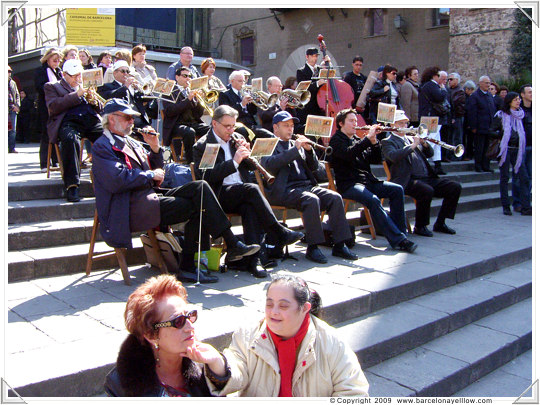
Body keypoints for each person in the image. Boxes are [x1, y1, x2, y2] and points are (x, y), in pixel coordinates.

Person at [92, 99, 260, 283]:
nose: (132, 122)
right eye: (127, 117)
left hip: (148, 196)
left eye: (132, 118)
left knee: (200, 188)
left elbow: (158, 172)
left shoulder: (131, 142)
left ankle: (212, 254)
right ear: (111, 119)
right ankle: (204, 257)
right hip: (128, 206)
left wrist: (155, 149)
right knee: (199, 203)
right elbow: (117, 180)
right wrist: (149, 174)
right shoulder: (102, 145)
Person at [200, 274, 370, 396]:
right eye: (269, 304)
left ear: (304, 308)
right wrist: (219, 364)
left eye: (283, 306)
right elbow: (237, 367)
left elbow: (354, 392)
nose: (273, 312)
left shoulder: (332, 343)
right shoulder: (247, 335)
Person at [192, 105, 304, 278]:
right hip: (218, 195)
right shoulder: (203, 145)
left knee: (250, 207)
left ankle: (255, 261)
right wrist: (235, 161)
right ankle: (278, 231)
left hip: (240, 192)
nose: (231, 130)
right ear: (214, 124)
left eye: (233, 126)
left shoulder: (236, 137)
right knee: (251, 190)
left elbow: (252, 167)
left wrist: (248, 154)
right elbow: (207, 176)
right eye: (227, 126)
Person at [260, 111, 357, 264]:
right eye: (286, 126)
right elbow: (269, 165)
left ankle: (340, 244)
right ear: (275, 128)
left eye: (292, 126)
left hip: (305, 186)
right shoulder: (268, 144)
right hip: (284, 190)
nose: (290, 129)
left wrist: (309, 151)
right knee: (311, 200)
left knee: (334, 197)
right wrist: (295, 150)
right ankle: (313, 247)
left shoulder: (296, 144)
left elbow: (315, 169)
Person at [104, 274, 226, 396]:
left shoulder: (204, 366)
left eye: (190, 316)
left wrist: (217, 365)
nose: (190, 327)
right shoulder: (121, 386)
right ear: (151, 335)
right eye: (178, 321)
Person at [329, 109, 417, 253]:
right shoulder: (336, 140)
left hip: (367, 181)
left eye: (356, 121)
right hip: (349, 184)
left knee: (397, 189)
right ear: (341, 123)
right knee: (374, 200)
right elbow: (348, 154)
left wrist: (375, 142)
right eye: (351, 121)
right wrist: (366, 140)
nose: (355, 124)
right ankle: (398, 240)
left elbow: (375, 159)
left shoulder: (357, 139)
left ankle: (401, 234)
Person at [381, 110, 462, 237]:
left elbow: (430, 154)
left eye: (405, 123)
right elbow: (393, 156)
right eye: (401, 123)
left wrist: (424, 143)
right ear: (392, 125)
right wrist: (413, 145)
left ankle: (441, 222)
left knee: (454, 187)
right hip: (406, 179)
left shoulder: (410, 138)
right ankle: (420, 226)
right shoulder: (388, 141)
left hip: (426, 177)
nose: (404, 126)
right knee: (426, 190)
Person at [44, 60, 103, 202]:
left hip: (90, 120)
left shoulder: (86, 84)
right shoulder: (52, 86)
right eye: (74, 76)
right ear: (64, 74)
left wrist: (94, 101)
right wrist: (77, 95)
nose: (78, 79)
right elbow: (53, 106)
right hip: (69, 121)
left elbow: (100, 108)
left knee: (108, 137)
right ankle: (72, 185)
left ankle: (110, 177)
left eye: (79, 75)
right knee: (70, 140)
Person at [489, 92, 531, 216]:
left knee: (524, 178)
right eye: (515, 99)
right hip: (506, 149)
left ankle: (526, 207)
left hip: (518, 150)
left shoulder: (521, 115)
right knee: (505, 177)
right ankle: (506, 206)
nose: (518, 101)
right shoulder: (501, 115)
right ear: (509, 101)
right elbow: (491, 131)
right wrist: (501, 135)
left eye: (518, 99)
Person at [162, 67, 210, 163]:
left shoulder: (191, 91)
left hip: (191, 122)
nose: (188, 78)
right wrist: (188, 100)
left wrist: (201, 101)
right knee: (189, 132)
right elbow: (170, 111)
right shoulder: (170, 91)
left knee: (211, 130)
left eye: (190, 76)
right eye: (185, 76)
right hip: (175, 124)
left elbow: (198, 114)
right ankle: (191, 162)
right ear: (177, 77)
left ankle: (206, 159)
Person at [218, 70, 274, 142]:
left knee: (270, 136)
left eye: (243, 81)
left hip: (250, 124)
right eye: (240, 81)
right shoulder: (225, 94)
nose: (243, 84)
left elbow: (253, 112)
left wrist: (255, 102)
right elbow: (226, 113)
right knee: (245, 133)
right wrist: (242, 104)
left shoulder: (245, 93)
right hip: (236, 125)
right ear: (232, 81)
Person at [98, 60, 152, 131]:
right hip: (123, 122)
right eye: (123, 71)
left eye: (128, 72)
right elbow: (111, 96)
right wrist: (125, 87)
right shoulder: (107, 86)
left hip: (139, 121)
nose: (126, 74)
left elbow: (148, 98)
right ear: (115, 73)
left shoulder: (131, 88)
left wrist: (140, 89)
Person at [35, 47, 63, 172]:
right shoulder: (41, 71)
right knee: (47, 134)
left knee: (56, 133)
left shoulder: (59, 71)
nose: (56, 63)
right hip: (45, 106)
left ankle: (55, 160)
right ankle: (44, 162)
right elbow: (39, 87)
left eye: (58, 60)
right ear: (47, 59)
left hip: (58, 105)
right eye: (54, 60)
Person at [418, 67, 449, 174]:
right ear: (434, 76)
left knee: (436, 141)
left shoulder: (426, 86)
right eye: (438, 76)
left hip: (429, 116)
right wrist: (444, 90)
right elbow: (440, 97)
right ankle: (423, 164)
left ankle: (437, 165)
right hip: (432, 118)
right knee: (431, 141)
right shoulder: (432, 86)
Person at [466, 75, 496, 173]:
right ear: (481, 83)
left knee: (487, 148)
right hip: (479, 127)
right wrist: (473, 127)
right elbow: (472, 112)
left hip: (489, 127)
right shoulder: (475, 96)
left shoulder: (489, 95)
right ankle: (478, 166)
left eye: (489, 83)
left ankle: (486, 165)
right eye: (486, 83)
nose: (488, 85)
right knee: (479, 147)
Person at [296, 47, 328, 125]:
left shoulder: (320, 69)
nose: (315, 58)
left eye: (316, 56)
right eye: (313, 56)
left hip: (320, 105)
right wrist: (317, 83)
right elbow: (304, 89)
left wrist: (328, 64)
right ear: (307, 57)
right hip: (309, 107)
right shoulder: (301, 71)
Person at [447, 73, 466, 161]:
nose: (449, 81)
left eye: (451, 79)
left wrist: (455, 117)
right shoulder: (449, 90)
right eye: (448, 79)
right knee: (450, 137)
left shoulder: (459, 91)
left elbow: (457, 105)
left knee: (457, 137)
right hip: (451, 116)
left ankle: (457, 156)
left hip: (457, 117)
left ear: (457, 80)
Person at [462, 80, 476, 161]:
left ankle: (469, 154)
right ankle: (466, 155)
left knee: (470, 140)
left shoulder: (471, 98)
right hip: (466, 121)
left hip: (469, 121)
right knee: (466, 140)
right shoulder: (465, 97)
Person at [8, 65, 20, 153]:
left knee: (13, 130)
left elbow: (17, 94)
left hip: (12, 108)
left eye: (10, 71)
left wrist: (18, 106)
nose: (9, 73)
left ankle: (12, 148)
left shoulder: (13, 82)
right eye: (7, 71)